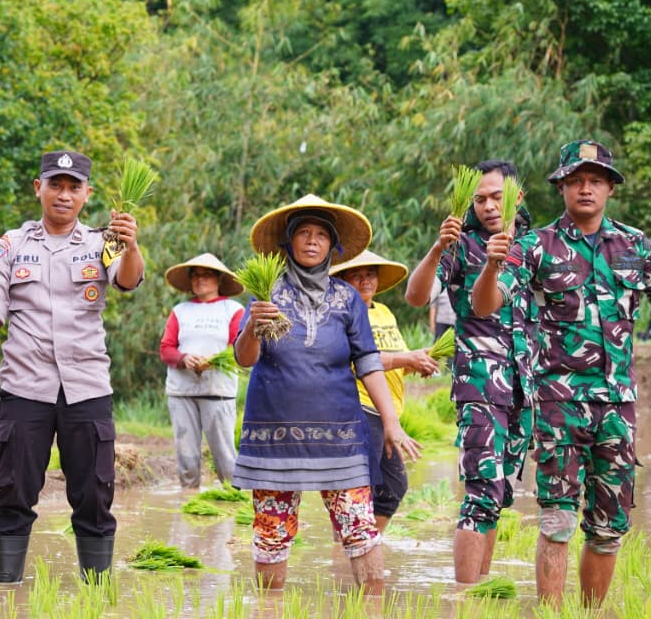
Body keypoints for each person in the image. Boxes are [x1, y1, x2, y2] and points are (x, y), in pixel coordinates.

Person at [471, 140, 651, 607]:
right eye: (576, 180)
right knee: (557, 522)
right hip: (558, 405)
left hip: (617, 407)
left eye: (595, 181)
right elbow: (486, 304)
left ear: (609, 189)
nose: (585, 189)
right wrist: (492, 264)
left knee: (608, 529)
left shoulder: (635, 245)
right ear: (561, 187)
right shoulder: (534, 245)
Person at [0, 150, 144, 584]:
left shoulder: (105, 242)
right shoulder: (10, 246)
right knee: (13, 493)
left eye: (74, 187)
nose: (64, 194)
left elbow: (128, 280)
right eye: (56, 185)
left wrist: (132, 245)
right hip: (26, 389)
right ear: (38, 188)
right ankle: (7, 593)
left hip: (87, 388)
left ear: (87, 194)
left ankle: (96, 598)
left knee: (95, 496)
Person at [232, 195, 421, 593]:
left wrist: (391, 423)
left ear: (333, 247)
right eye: (303, 233)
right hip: (274, 436)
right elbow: (244, 359)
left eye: (321, 235)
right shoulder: (267, 296)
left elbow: (368, 361)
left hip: (340, 436)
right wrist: (252, 324)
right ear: (287, 244)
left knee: (360, 527)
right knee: (272, 533)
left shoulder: (347, 298)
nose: (312, 241)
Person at [404, 160, 536, 584]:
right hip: (480, 382)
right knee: (481, 492)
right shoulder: (461, 245)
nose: (488, 205)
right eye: (479, 199)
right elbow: (415, 295)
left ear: (517, 195)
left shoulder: (538, 245)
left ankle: (480, 591)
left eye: (496, 196)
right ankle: (464, 601)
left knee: (500, 494)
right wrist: (437, 249)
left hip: (526, 389)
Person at [332, 250, 440, 533]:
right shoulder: (340, 313)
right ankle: (349, 551)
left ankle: (367, 543)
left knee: (392, 487)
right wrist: (407, 358)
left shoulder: (384, 312)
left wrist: (418, 360)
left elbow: (394, 359)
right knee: (357, 490)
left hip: (387, 411)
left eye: (370, 274)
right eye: (356, 274)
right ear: (343, 279)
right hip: (358, 407)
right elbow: (354, 359)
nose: (365, 280)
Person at [159, 253, 246, 489]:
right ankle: (188, 497)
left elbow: (236, 347)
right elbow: (166, 349)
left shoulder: (233, 309)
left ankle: (233, 496)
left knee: (224, 454)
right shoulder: (181, 311)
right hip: (181, 391)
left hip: (217, 390)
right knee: (186, 455)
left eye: (206, 275)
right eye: (195, 276)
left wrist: (213, 361)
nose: (200, 280)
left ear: (218, 280)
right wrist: (184, 358)